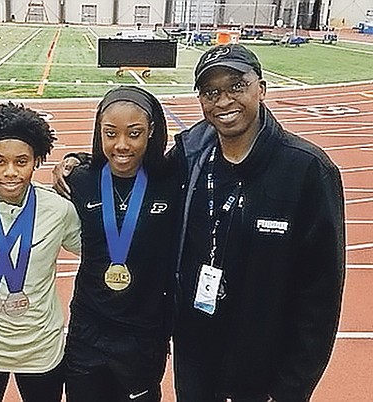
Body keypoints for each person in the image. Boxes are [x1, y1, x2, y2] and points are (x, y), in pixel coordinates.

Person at [53, 44, 345, 402]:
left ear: (262, 88)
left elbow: (320, 299)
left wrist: (292, 390)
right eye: (211, 92)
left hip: (261, 367)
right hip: (195, 357)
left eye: (236, 86)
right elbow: (132, 162)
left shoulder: (308, 171)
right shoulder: (191, 158)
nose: (223, 101)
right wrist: (80, 161)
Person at [0, 102, 81, 402]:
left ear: (37, 161)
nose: (10, 172)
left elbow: (96, 251)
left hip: (40, 350)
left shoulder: (58, 210)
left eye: (21, 161)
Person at [62, 86, 180, 402]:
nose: (122, 145)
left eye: (135, 133)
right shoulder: (81, 180)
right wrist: (75, 159)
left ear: (152, 131)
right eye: (110, 133)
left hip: (143, 335)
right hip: (88, 330)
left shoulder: (171, 179)